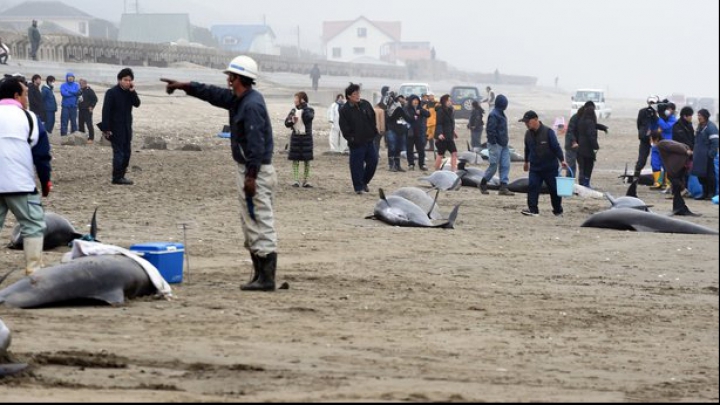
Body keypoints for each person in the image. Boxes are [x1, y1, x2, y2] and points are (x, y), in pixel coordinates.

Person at [161, 55, 279, 292]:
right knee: (251, 221)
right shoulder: (241, 99)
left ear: (237, 78)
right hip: (250, 169)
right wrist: (187, 86)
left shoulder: (251, 105)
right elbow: (212, 94)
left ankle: (266, 278)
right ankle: (259, 275)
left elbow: (256, 144)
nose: (227, 79)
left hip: (255, 171)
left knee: (259, 219)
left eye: (230, 76)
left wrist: (251, 177)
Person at [0, 76, 53, 276]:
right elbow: (41, 155)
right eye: (25, 94)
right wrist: (45, 181)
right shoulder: (30, 118)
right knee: (32, 225)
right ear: (16, 95)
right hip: (19, 184)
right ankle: (33, 271)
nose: (27, 98)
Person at [520, 110, 567, 217]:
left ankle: (558, 210)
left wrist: (562, 160)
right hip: (535, 168)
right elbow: (527, 149)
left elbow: (556, 147)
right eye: (525, 122)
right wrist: (526, 162)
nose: (526, 124)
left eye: (528, 121)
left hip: (550, 167)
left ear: (536, 120)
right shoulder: (528, 134)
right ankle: (533, 210)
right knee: (532, 186)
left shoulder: (548, 132)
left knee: (554, 190)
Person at [100, 68, 140, 185]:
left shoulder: (130, 93)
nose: (127, 82)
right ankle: (116, 177)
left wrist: (133, 91)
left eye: (129, 80)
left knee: (127, 153)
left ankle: (121, 175)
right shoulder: (111, 92)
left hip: (127, 128)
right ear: (119, 80)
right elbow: (105, 111)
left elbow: (137, 103)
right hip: (114, 129)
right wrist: (106, 129)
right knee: (119, 154)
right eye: (125, 80)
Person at [339, 82, 379, 195]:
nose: (358, 95)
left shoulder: (365, 104)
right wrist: (351, 139)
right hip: (356, 143)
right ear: (349, 96)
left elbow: (372, 117)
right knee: (357, 166)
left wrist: (374, 131)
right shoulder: (344, 110)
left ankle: (364, 182)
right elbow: (344, 127)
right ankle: (358, 187)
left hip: (369, 140)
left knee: (373, 162)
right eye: (355, 93)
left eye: (358, 93)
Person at [651, 132, 699, 216]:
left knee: (672, 178)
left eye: (651, 139)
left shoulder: (661, 144)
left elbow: (676, 146)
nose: (651, 141)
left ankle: (683, 192)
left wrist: (686, 151)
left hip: (676, 166)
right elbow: (681, 144)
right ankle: (678, 202)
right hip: (681, 163)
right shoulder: (665, 141)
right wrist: (687, 149)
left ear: (655, 139)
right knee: (676, 183)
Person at [479, 94, 514, 196]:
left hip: (504, 144)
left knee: (505, 165)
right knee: (493, 165)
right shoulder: (494, 114)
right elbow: (490, 130)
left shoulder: (501, 113)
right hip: (495, 144)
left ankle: (503, 186)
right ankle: (483, 183)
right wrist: (493, 142)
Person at [285, 91, 315, 188]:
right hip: (296, 137)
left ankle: (306, 180)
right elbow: (286, 123)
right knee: (295, 160)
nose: (294, 101)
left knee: (307, 160)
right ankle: (296, 180)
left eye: (296, 98)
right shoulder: (293, 111)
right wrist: (291, 120)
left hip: (306, 137)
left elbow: (308, 117)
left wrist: (303, 107)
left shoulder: (310, 110)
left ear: (302, 99)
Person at [576, 101, 609, 188]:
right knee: (589, 166)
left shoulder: (581, 120)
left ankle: (582, 183)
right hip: (588, 148)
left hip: (580, 147)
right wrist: (596, 146)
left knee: (582, 166)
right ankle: (586, 184)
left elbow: (594, 126)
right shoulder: (590, 122)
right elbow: (591, 135)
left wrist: (603, 127)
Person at [692, 108, 719, 200]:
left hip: (707, 157)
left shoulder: (711, 127)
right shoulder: (699, 127)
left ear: (705, 116)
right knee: (701, 175)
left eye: (700, 115)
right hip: (699, 156)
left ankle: (711, 193)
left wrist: (711, 154)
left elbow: (715, 142)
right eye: (698, 115)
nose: (698, 117)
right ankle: (704, 193)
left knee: (710, 175)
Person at [633, 96, 661, 182]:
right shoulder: (642, 112)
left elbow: (659, 123)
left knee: (656, 161)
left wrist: (654, 115)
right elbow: (639, 124)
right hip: (645, 139)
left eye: (653, 103)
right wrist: (643, 133)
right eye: (650, 103)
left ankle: (659, 181)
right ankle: (636, 177)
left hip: (656, 140)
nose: (651, 105)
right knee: (641, 160)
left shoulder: (658, 113)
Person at [651, 102, 677, 191]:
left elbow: (665, 127)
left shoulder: (673, 119)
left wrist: (658, 118)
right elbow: (652, 128)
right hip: (657, 143)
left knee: (666, 164)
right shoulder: (659, 118)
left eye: (669, 109)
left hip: (667, 144)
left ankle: (667, 182)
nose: (667, 111)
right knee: (655, 162)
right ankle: (657, 182)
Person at [386, 94, 412, 172]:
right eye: (398, 99)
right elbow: (389, 117)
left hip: (401, 130)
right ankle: (391, 165)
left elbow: (408, 118)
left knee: (398, 148)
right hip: (392, 129)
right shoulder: (391, 107)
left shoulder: (403, 108)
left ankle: (397, 165)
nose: (401, 100)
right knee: (392, 147)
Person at [433, 94, 459, 172]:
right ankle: (436, 171)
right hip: (442, 136)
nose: (450, 102)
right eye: (449, 100)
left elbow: (450, 123)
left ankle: (453, 170)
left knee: (454, 153)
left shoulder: (450, 110)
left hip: (449, 136)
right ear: (444, 101)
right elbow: (439, 123)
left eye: (450, 100)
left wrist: (453, 131)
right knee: (440, 154)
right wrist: (439, 134)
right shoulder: (440, 110)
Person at [405, 95, 430, 171]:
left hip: (419, 132)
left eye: (417, 100)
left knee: (421, 149)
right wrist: (414, 115)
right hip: (410, 132)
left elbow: (428, 114)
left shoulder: (420, 108)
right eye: (414, 100)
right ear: (411, 101)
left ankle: (422, 164)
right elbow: (406, 118)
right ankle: (411, 164)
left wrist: (421, 111)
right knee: (409, 149)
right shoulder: (407, 109)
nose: (415, 102)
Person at [59, 72, 81, 137]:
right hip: (65, 106)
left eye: (72, 77)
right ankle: (63, 135)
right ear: (67, 78)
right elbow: (63, 93)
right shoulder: (63, 85)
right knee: (64, 121)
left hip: (74, 106)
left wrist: (69, 91)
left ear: (74, 78)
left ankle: (74, 135)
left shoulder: (76, 85)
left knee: (74, 122)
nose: (70, 78)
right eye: (69, 77)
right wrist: (73, 93)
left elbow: (77, 93)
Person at [78, 79, 98, 144]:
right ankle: (82, 137)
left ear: (85, 84)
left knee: (89, 124)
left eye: (82, 84)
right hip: (81, 110)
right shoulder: (80, 90)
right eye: (80, 84)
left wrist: (91, 106)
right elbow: (79, 99)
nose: (81, 85)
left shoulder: (90, 90)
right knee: (81, 124)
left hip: (87, 110)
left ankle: (91, 138)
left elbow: (95, 99)